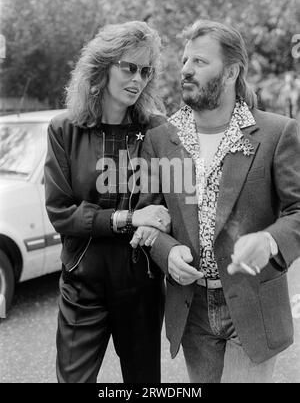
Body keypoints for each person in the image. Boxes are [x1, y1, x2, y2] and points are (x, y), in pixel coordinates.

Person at [132, 20, 300, 383]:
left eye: (200, 62)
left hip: (254, 307)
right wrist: (167, 251)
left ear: (231, 71)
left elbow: (297, 211)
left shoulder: (276, 133)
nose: (186, 70)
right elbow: (149, 219)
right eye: (185, 60)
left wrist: (270, 239)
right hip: (191, 311)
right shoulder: (160, 140)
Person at [44, 20, 171, 383]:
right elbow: (60, 212)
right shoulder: (63, 130)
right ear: (103, 66)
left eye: (146, 71)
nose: (138, 79)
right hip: (82, 285)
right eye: (129, 67)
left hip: (141, 284)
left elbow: (165, 208)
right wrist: (126, 218)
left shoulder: (157, 131)